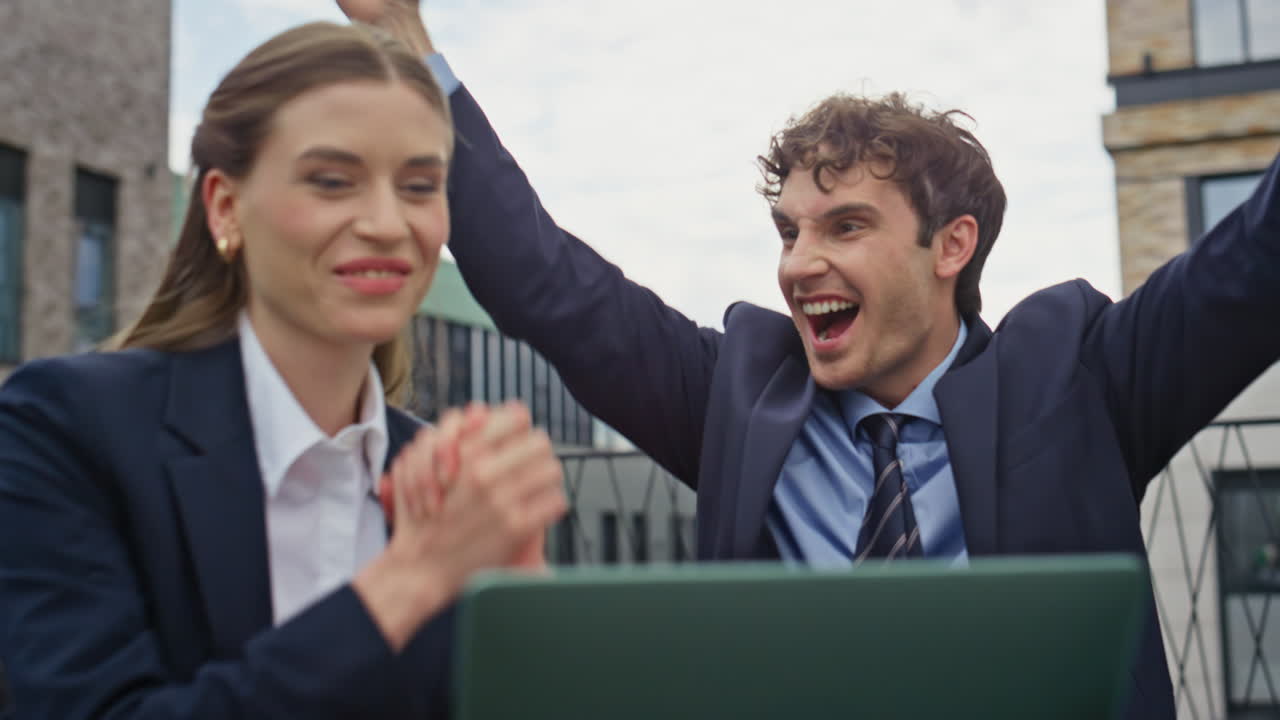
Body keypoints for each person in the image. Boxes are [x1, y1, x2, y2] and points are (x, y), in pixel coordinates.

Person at [343, 2, 1280, 717]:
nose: (798, 264)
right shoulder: (737, 395)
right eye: (789, 230)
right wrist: (399, 35)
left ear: (951, 246)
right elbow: (540, 280)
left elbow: (1256, 263)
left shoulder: (1080, 377)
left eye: (846, 226)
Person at [0, 21, 567, 719]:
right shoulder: (65, 427)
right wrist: (409, 580)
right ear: (225, 207)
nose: (389, 223)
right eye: (333, 181)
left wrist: (523, 600)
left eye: (420, 185)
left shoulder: (446, 486)